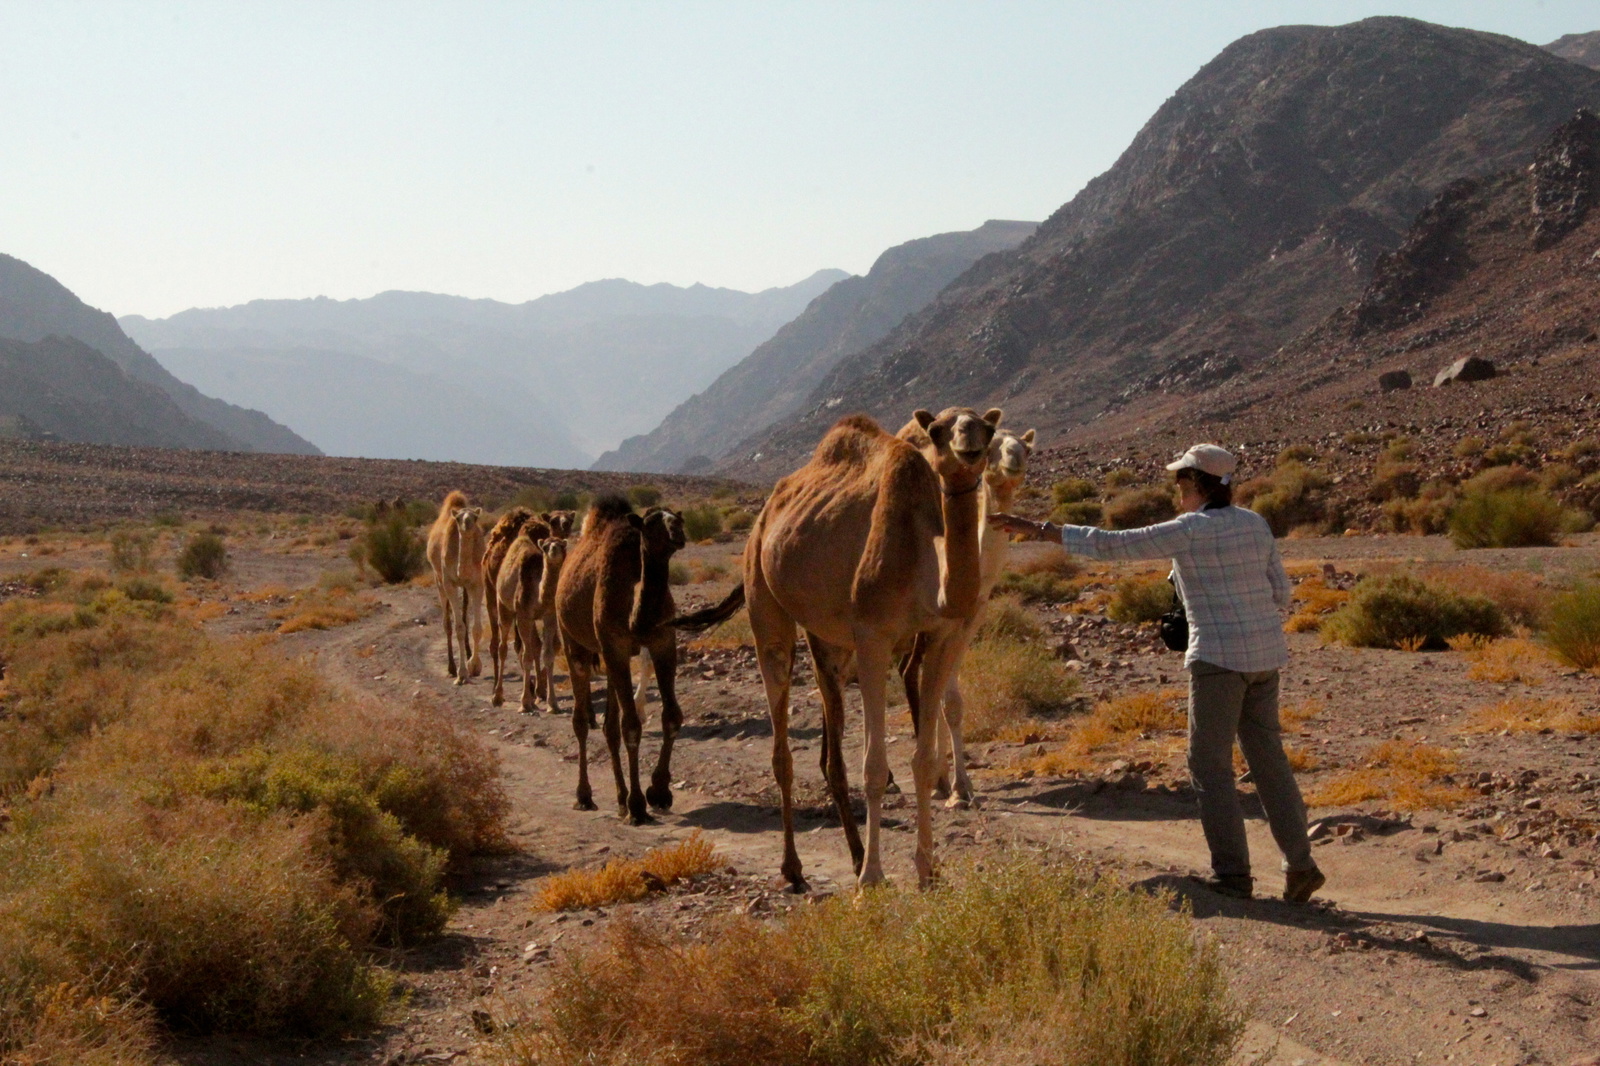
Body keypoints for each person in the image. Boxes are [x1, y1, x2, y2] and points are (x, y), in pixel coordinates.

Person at [991, 443, 1325, 903]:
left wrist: (1039, 529)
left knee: (1209, 768)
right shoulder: (1256, 523)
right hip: (1265, 658)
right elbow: (1281, 593)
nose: (1178, 493)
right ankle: (1301, 865)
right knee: (1269, 763)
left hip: (1218, 662)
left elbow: (1114, 546)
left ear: (1195, 484)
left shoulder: (1190, 530)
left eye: (1181, 484)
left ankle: (1233, 876)